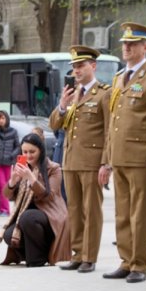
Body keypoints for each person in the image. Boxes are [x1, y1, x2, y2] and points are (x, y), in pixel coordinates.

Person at [103, 23, 146, 281]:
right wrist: (108, 156)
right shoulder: (119, 77)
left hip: (141, 156)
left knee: (139, 213)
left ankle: (140, 265)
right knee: (121, 212)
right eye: (124, 43)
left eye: (132, 44)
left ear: (145, 47)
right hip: (119, 155)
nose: (127, 48)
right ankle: (125, 260)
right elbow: (114, 120)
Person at [50, 46, 111, 273]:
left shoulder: (104, 93)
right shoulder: (73, 94)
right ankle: (77, 254)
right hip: (70, 161)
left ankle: (89, 256)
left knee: (91, 210)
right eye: (74, 67)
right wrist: (62, 106)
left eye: (81, 66)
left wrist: (106, 162)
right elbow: (55, 124)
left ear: (93, 66)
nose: (76, 70)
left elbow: (108, 132)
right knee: (74, 209)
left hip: (92, 162)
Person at [0, 132, 70, 267]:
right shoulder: (23, 167)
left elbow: (49, 196)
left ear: (41, 151)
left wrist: (32, 179)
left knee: (28, 217)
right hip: (29, 218)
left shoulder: (54, 168)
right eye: (24, 152)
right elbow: (7, 195)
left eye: (32, 152)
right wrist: (13, 181)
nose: (28, 156)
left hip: (51, 215)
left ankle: (36, 260)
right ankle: (38, 254)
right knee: (9, 235)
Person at [0, 110, 18, 217]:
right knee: (2, 185)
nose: (1, 120)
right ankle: (5, 210)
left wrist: (12, 155)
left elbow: (18, 146)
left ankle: (1, 209)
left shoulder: (13, 132)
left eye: (2, 118)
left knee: (6, 186)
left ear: (6, 119)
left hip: (8, 163)